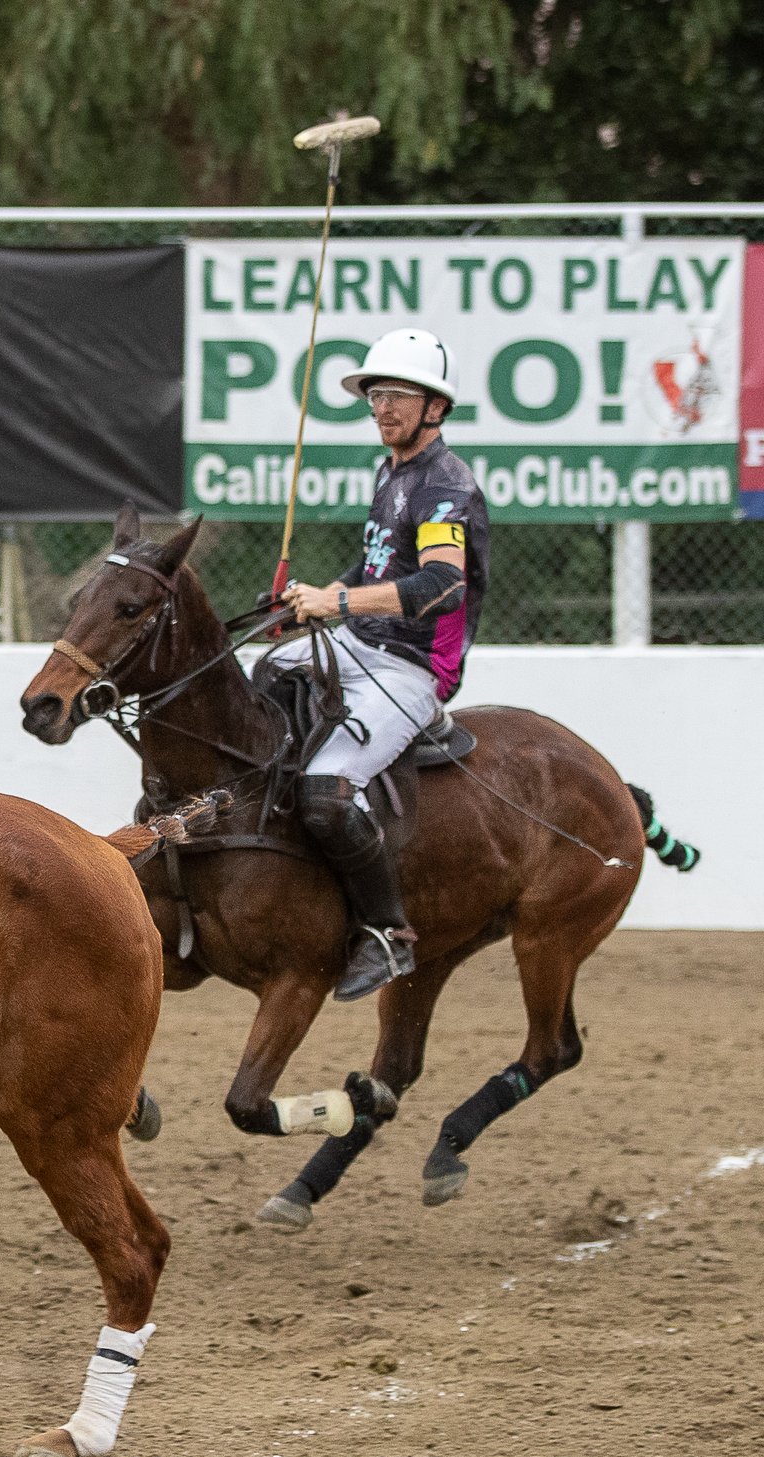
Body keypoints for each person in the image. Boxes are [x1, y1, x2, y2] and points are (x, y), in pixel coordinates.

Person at [274, 328, 490, 1001]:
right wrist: (306, 602)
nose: (381, 406)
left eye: (397, 394)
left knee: (329, 785)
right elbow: (374, 568)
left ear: (436, 407)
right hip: (360, 643)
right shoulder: (390, 472)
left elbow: (440, 585)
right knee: (263, 677)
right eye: (375, 394)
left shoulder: (446, 486)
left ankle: (387, 933)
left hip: (412, 668)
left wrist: (336, 601)